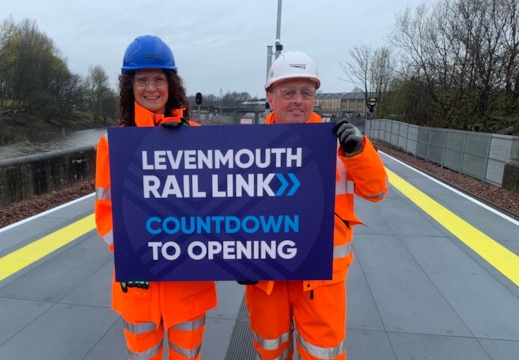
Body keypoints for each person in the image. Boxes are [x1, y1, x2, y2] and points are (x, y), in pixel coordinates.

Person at [241, 51, 389, 360]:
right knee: (271, 350)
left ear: (314, 97)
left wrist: (359, 151)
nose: (298, 99)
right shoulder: (246, 148)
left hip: (321, 280)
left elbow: (376, 192)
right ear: (270, 96)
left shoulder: (339, 143)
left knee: (323, 354)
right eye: (288, 91)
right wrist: (239, 259)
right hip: (267, 278)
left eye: (305, 92)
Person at [94, 35, 217, 360]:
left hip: (189, 283)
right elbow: (105, 214)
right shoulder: (113, 145)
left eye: (158, 79)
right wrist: (139, 252)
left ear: (170, 84)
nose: (151, 88)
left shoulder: (198, 136)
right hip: (139, 287)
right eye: (142, 80)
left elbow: (219, 205)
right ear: (129, 86)